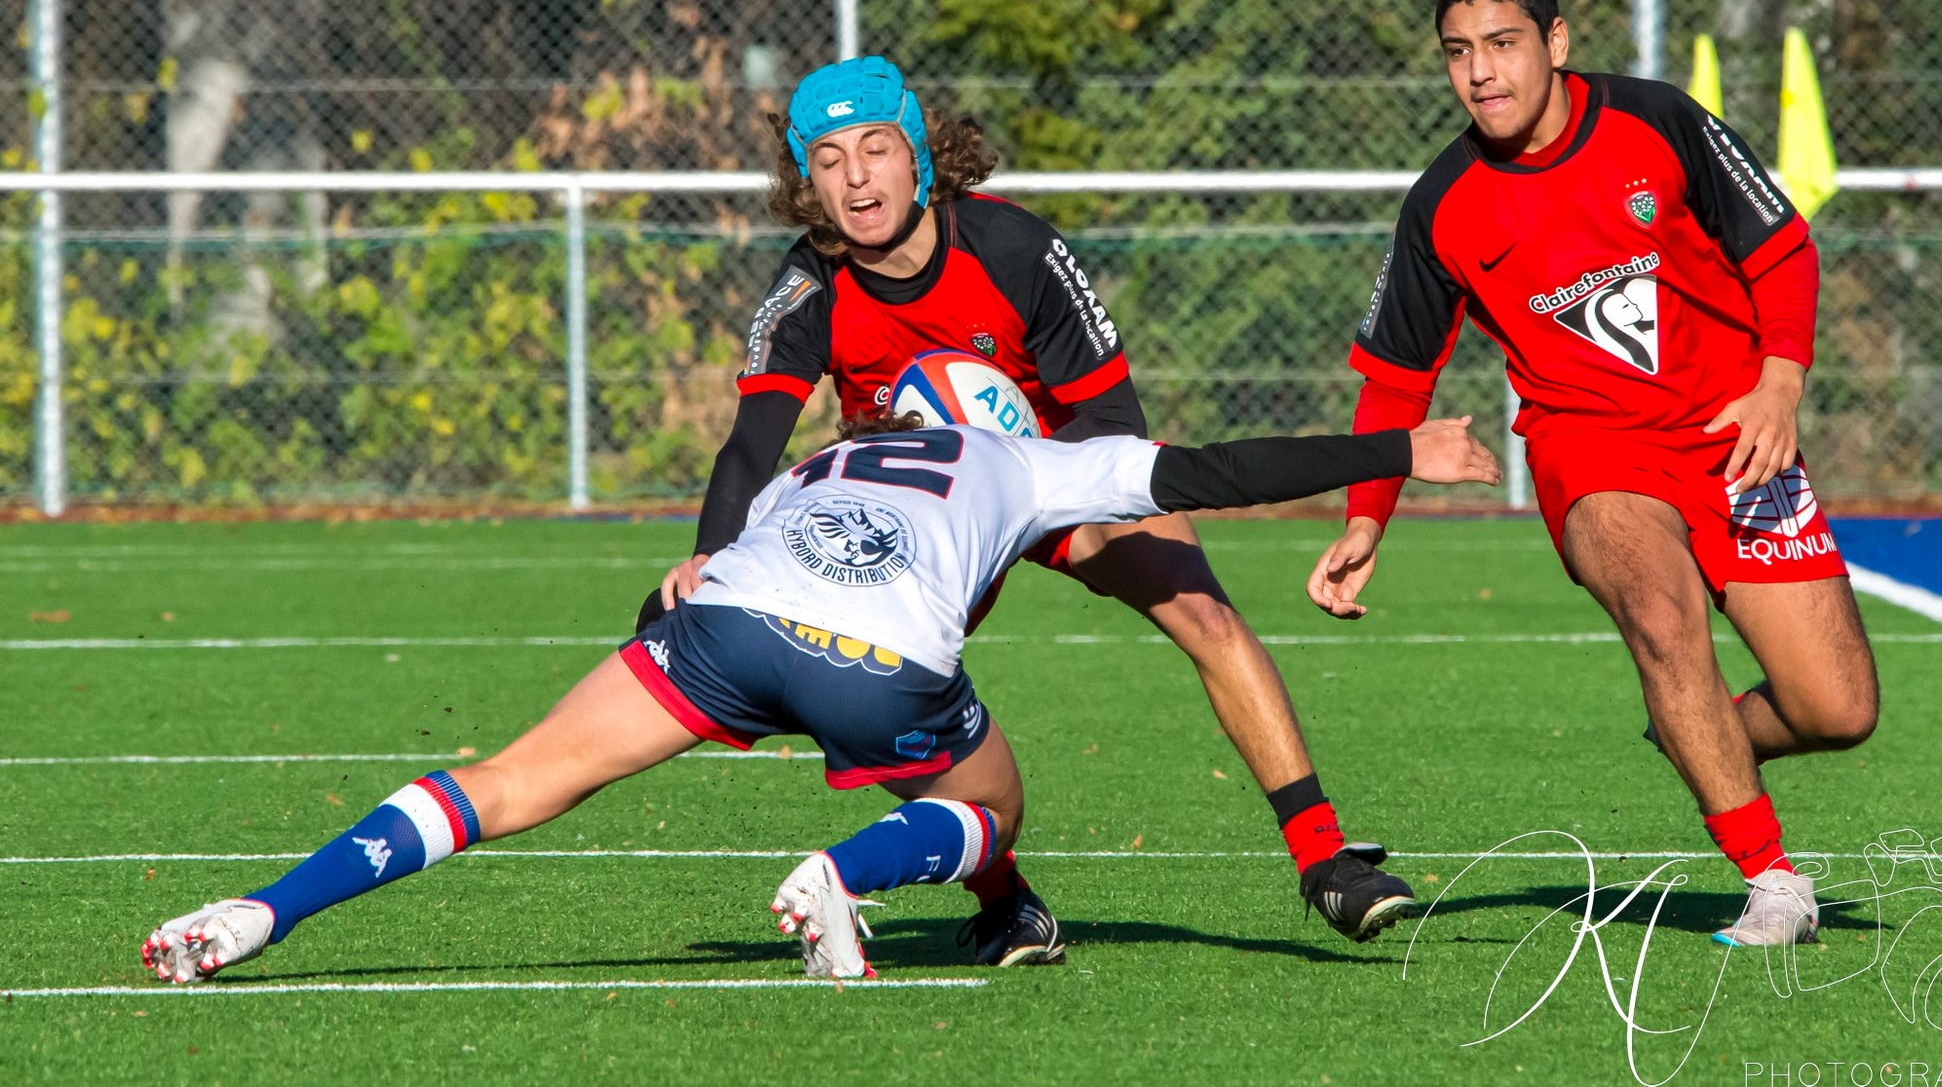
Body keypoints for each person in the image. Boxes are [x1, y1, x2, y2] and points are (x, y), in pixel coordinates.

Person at [141, 407, 1502, 985]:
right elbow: (1211, 470)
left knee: (508, 781)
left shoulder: (822, 457)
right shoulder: (1024, 462)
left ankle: (265, 907)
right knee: (989, 804)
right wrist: (1404, 449)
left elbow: (701, 562)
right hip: (874, 658)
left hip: (730, 624)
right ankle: (844, 878)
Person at [664, 53, 1395, 938]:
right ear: (807, 182)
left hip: (1057, 471)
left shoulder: (1017, 249)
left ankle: (1322, 857)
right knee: (878, 679)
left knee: (1204, 612)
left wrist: (1030, 493)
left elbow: (1112, 424)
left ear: (919, 153)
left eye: (876, 147)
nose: (856, 177)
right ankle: (1003, 902)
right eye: (829, 159)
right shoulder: (811, 280)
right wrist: (710, 552)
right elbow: (752, 441)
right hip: (920, 511)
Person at [1306, 0, 1880, 948]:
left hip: (1734, 431)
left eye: (1500, 44)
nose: (1479, 71)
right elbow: (1393, 381)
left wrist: (1778, 382)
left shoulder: (1656, 121)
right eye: (1457, 53)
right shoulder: (1440, 201)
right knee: (1660, 618)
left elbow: (1780, 249)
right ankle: (1771, 877)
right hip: (1591, 448)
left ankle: (1690, 725)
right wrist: (1365, 518)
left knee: (1835, 708)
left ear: (1554, 43)